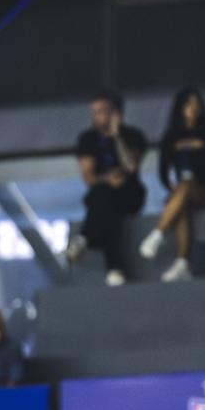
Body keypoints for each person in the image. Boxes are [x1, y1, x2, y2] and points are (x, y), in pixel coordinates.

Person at [139, 86, 205, 282]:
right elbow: (163, 169)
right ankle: (181, 262)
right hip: (179, 191)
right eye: (188, 105)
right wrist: (172, 188)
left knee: (184, 188)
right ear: (181, 108)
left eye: (196, 105)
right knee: (179, 206)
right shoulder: (171, 136)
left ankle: (158, 233)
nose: (193, 109)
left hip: (203, 189)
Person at [66, 93, 147, 286]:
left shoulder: (134, 136)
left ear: (115, 112)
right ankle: (115, 269)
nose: (96, 116)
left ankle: (84, 238)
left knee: (105, 203)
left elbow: (131, 166)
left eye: (102, 111)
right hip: (102, 194)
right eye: (93, 112)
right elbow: (88, 176)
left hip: (129, 193)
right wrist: (108, 179)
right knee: (105, 202)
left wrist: (117, 136)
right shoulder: (87, 139)